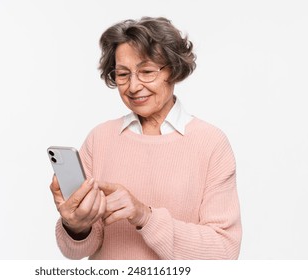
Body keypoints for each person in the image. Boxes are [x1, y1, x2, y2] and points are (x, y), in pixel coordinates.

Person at [49, 16, 242, 260]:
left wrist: (145, 216)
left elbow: (224, 252)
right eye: (122, 74)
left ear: (173, 70)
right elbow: (77, 250)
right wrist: (76, 226)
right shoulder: (100, 139)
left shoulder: (210, 143)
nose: (133, 86)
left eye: (147, 72)